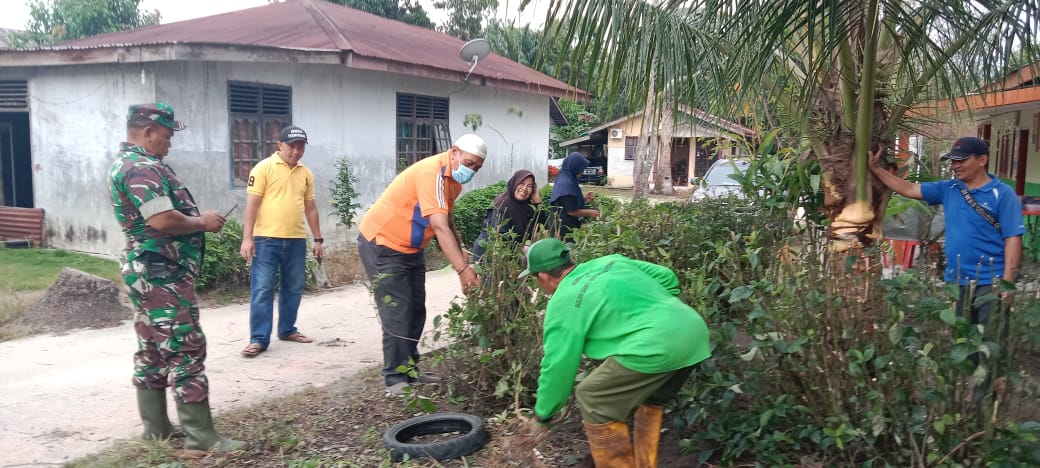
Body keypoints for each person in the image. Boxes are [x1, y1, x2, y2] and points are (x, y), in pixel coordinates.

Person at [109, 102, 245, 453]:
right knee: (185, 347)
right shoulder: (140, 168)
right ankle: (201, 437)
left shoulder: (135, 164)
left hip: (147, 270)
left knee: (152, 347)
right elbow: (162, 220)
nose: (169, 143)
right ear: (148, 131)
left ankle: (156, 430)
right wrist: (203, 222)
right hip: (160, 272)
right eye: (166, 136)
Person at [520, 238, 711, 467]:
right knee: (648, 399)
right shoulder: (610, 262)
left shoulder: (563, 302)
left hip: (658, 347)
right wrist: (650, 310)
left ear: (542, 276)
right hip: (693, 331)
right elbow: (667, 277)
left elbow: (558, 366)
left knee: (593, 396)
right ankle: (644, 463)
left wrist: (543, 415)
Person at [357, 133, 487, 395]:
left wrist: (461, 252)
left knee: (417, 309)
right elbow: (438, 226)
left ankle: (410, 370)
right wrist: (462, 270)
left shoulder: (452, 182)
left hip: (411, 248)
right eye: (469, 163)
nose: (471, 170)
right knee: (398, 311)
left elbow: (446, 218)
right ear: (454, 152)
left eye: (477, 167)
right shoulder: (432, 174)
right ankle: (395, 378)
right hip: (383, 243)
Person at [869, 137, 1023, 329]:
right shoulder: (949, 188)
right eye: (953, 161)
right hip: (957, 281)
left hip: (990, 281)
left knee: (991, 341)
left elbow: (1013, 238)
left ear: (982, 160)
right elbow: (909, 188)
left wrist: (1007, 282)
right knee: (961, 340)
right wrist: (876, 169)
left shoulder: (1003, 194)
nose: (955, 165)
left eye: (961, 160)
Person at [239, 125, 324, 358]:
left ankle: (287, 330)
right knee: (262, 289)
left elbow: (311, 208)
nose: (296, 151)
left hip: (296, 239)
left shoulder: (306, 174)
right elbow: (252, 204)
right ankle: (258, 339)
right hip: (266, 239)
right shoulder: (263, 168)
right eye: (291, 146)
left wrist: (317, 239)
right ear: (280, 145)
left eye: (300, 147)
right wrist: (247, 238)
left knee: (293, 288)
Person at [471, 169, 547, 261]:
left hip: (510, 254)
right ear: (515, 183)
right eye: (521, 183)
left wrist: (537, 201)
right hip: (489, 255)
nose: (525, 188)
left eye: (529, 186)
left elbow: (543, 225)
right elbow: (500, 239)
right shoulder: (503, 205)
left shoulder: (527, 206)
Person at [550, 152, 600, 239]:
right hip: (564, 228)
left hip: (562, 224)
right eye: (581, 168)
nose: (582, 172)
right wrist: (591, 212)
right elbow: (572, 211)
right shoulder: (566, 184)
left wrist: (584, 199)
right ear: (575, 166)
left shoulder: (566, 177)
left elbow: (567, 203)